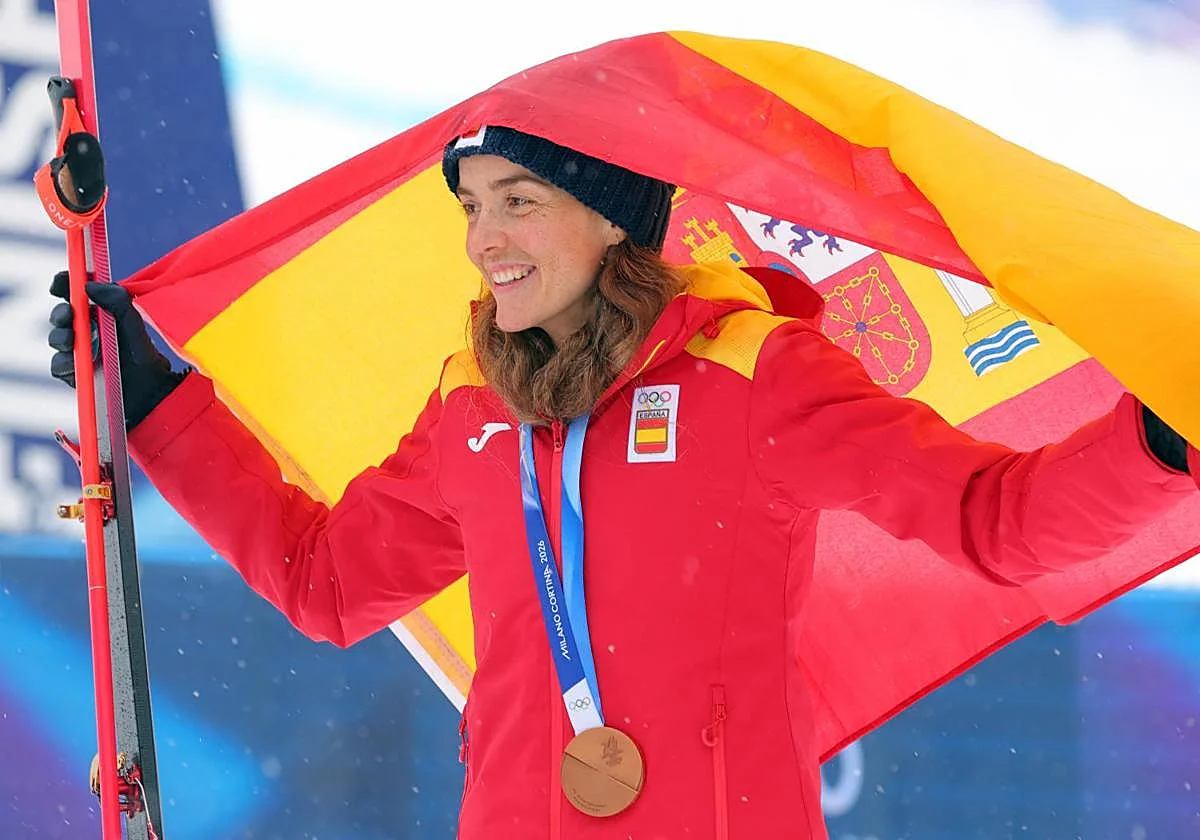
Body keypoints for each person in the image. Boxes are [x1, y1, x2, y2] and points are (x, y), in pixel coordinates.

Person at [47, 125, 1198, 839]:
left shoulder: (756, 373)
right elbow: (327, 581)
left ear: (610, 219)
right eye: (472, 204)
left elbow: (996, 522)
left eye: (518, 200)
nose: (483, 238)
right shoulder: (473, 404)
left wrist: (1166, 444)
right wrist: (155, 404)